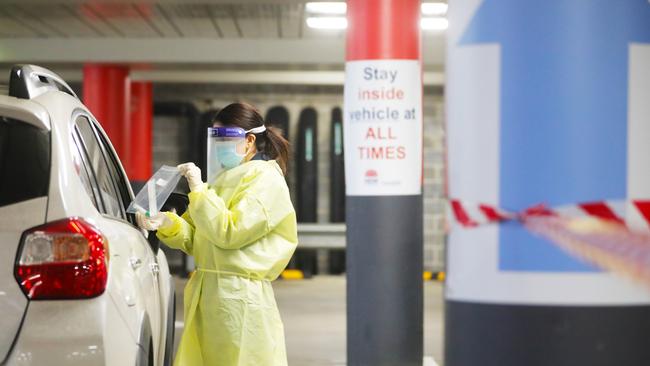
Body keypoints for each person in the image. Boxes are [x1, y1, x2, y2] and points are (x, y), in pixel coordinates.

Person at [136, 102, 297, 366]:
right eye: (216, 138)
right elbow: (197, 238)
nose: (220, 146)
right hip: (209, 293)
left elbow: (229, 232)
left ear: (250, 140)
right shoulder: (224, 180)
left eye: (226, 139)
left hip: (240, 298)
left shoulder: (265, 180)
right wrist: (167, 222)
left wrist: (198, 190)